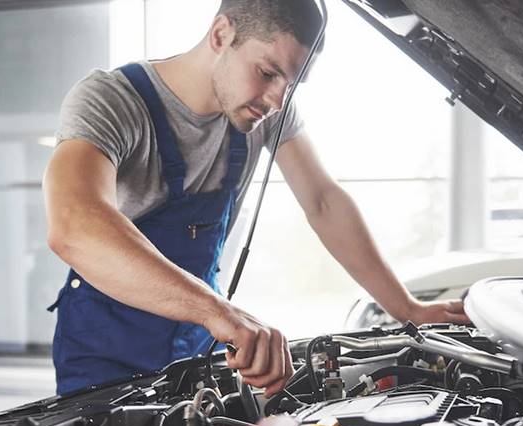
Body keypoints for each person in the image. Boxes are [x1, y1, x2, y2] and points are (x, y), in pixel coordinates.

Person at [43, 0, 469, 397]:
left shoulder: (261, 112)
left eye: (291, 84)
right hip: (104, 352)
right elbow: (74, 225)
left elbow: (323, 201)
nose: (277, 101)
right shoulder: (112, 101)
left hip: (194, 346)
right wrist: (219, 312)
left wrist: (407, 308)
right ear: (221, 35)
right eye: (267, 73)